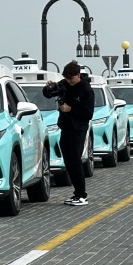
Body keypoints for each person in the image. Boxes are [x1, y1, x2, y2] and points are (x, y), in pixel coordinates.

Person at [44, 60, 95, 206]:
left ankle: (81, 195)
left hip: (78, 128)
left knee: (75, 160)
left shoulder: (87, 90)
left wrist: (70, 109)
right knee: (67, 160)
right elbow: (49, 94)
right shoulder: (65, 84)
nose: (69, 81)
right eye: (66, 78)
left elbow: (88, 114)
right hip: (66, 127)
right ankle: (76, 194)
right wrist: (48, 88)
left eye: (71, 79)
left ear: (78, 75)